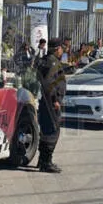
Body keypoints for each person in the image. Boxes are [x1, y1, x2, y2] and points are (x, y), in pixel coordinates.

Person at [36, 37, 67, 173]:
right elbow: (49, 83)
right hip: (51, 103)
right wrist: (55, 99)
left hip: (44, 101)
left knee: (46, 130)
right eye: (61, 48)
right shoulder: (53, 63)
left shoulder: (44, 61)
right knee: (53, 130)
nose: (62, 51)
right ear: (57, 49)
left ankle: (42, 160)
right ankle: (46, 162)